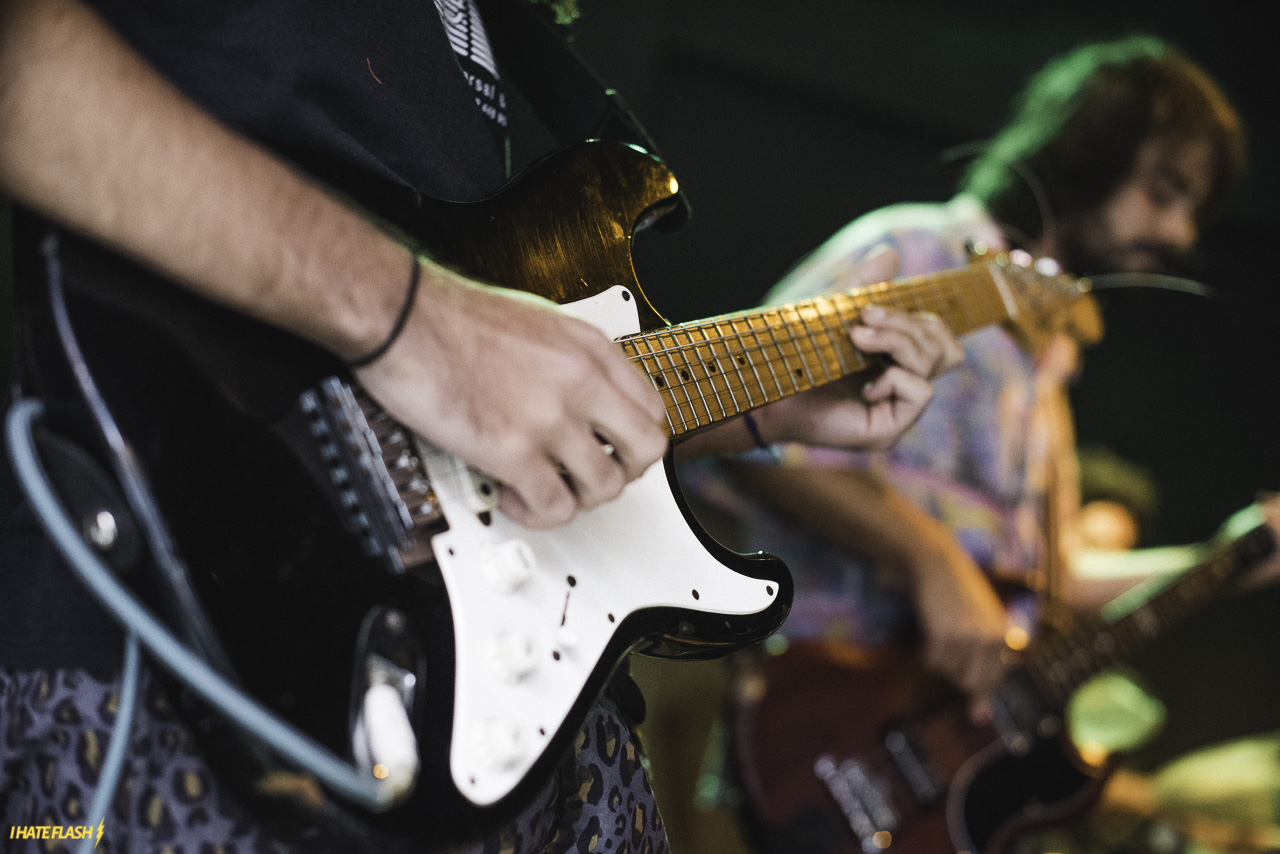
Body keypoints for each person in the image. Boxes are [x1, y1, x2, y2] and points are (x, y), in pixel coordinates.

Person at [0, 1, 963, 851]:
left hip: (532, 726)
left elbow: (460, 401)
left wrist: (753, 409)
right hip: (192, 653)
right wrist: (414, 318)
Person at [663, 34, 1257, 852]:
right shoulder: (916, 251)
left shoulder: (1047, 368)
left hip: (932, 775)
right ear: (1089, 152)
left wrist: (1229, 559)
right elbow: (744, 425)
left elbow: (1055, 578)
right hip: (814, 724)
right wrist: (930, 558)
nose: (1179, 231)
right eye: (1164, 192)